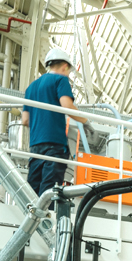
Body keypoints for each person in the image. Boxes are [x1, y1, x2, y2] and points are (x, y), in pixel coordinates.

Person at [22, 48, 86, 196]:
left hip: (36, 147)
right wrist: (85, 121)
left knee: (33, 192)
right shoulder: (60, 79)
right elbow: (67, 106)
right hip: (54, 144)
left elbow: (25, 120)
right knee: (49, 191)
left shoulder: (31, 88)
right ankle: (47, 218)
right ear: (65, 66)